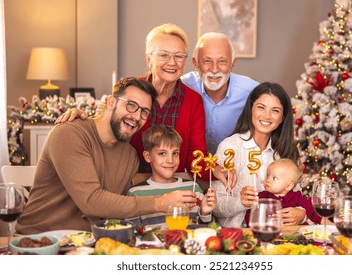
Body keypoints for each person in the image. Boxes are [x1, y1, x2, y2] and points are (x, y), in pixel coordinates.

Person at [16, 77, 198, 234]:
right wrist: (159, 203)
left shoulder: (129, 155)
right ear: (111, 102)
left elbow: (136, 185)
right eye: (131, 105)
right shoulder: (70, 133)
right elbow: (91, 201)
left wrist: (190, 185)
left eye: (144, 112)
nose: (136, 116)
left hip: (89, 243)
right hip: (41, 239)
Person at [55, 24, 230, 188]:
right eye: (163, 55)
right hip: (124, 184)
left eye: (178, 56)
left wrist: (214, 168)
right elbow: (105, 126)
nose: (172, 62)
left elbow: (196, 154)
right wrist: (82, 118)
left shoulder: (193, 100)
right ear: (148, 59)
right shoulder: (131, 91)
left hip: (169, 186)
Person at [212, 82, 307, 228]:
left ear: (282, 117)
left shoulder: (286, 151)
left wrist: (302, 213)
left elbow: (297, 195)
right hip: (239, 235)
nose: (267, 116)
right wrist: (241, 202)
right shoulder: (230, 146)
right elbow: (216, 208)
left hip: (280, 235)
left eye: (275, 110)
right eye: (261, 107)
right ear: (251, 109)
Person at [181, 32, 259, 154]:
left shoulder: (252, 91)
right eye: (207, 61)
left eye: (222, 61)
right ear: (195, 63)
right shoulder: (182, 87)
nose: (214, 69)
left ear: (233, 64)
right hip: (192, 164)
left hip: (235, 164)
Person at [127, 124, 216, 228]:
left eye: (175, 153)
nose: (170, 160)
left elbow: (204, 230)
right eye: (162, 153)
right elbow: (131, 233)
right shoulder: (136, 193)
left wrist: (205, 213)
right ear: (147, 156)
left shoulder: (193, 188)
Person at [243, 159, 322, 226]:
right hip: (269, 235)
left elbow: (313, 209)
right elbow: (250, 217)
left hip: (294, 237)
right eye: (268, 175)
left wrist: (324, 222)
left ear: (289, 186)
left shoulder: (297, 197)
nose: (267, 180)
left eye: (274, 178)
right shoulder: (261, 197)